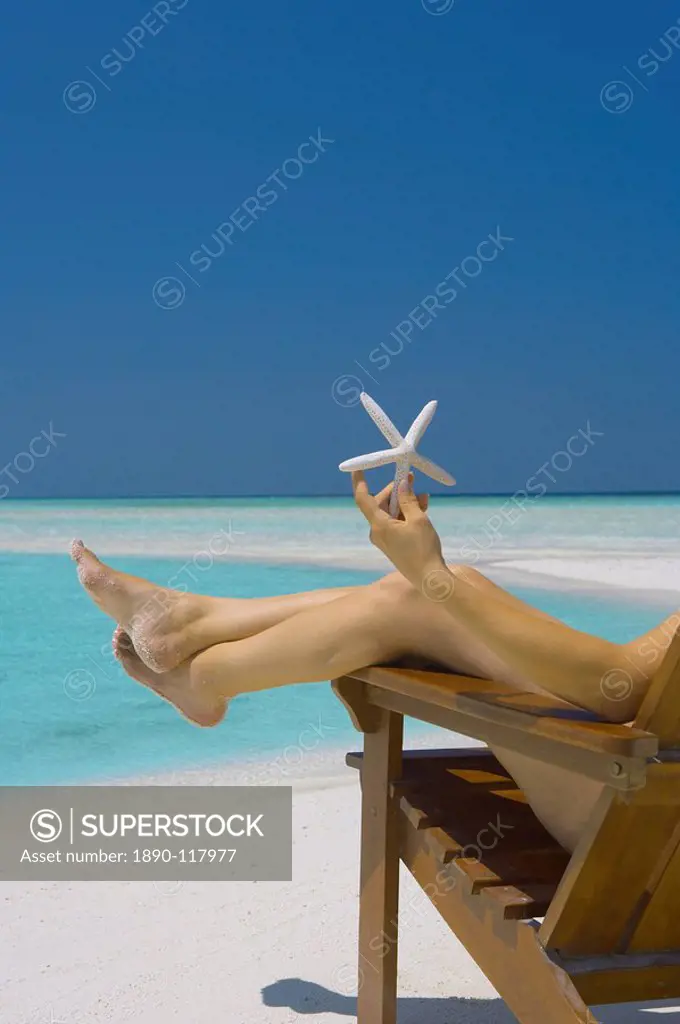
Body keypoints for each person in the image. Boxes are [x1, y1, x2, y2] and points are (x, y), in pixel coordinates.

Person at [71, 472, 679, 851]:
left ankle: (200, 662)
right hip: (649, 812)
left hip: (637, 833)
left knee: (425, 596)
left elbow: (616, 689)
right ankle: (197, 639)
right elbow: (633, 682)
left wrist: (433, 576)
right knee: (420, 597)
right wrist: (434, 580)